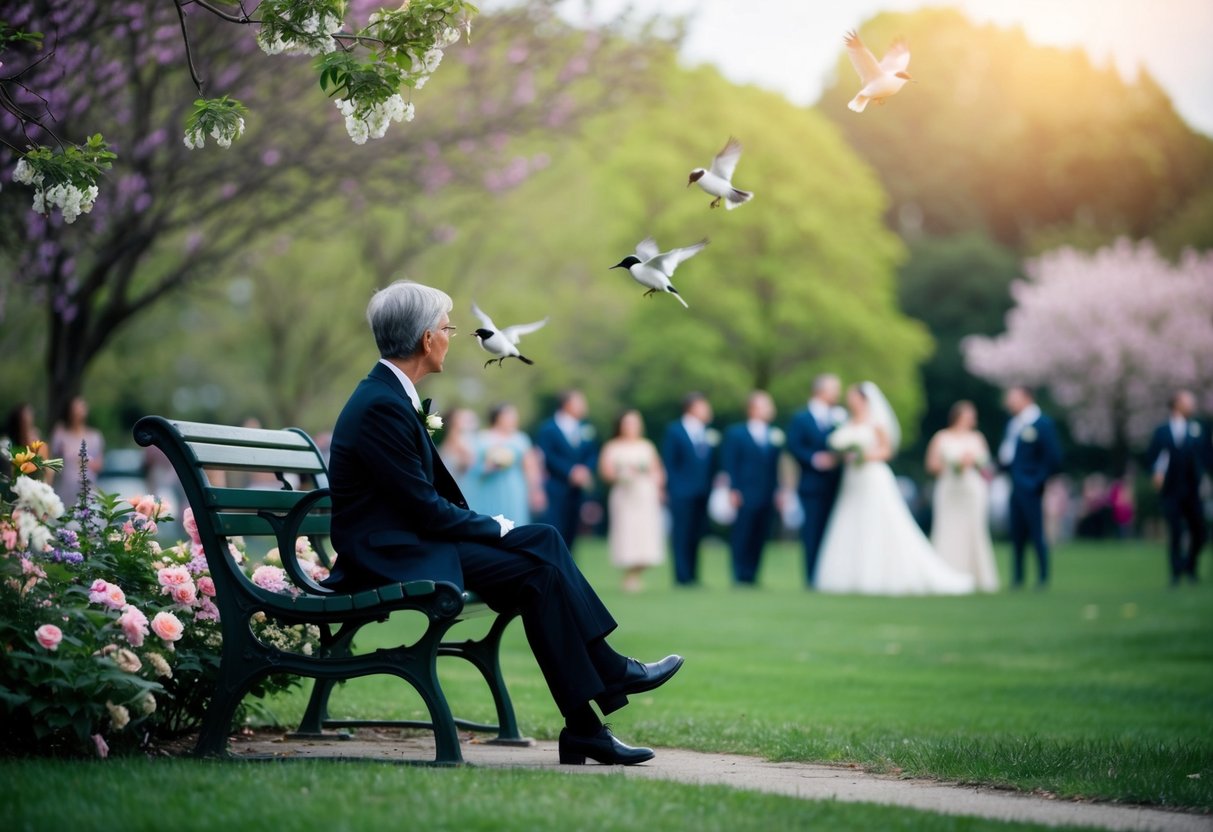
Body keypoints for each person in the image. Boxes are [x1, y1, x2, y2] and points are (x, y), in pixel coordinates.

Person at [322, 280, 683, 766]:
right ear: (427, 340)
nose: (451, 336)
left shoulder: (387, 394)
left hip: (409, 539)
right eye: (447, 328)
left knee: (545, 541)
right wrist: (494, 527)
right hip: (391, 552)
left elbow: (420, 503)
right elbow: (423, 508)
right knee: (538, 572)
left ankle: (602, 695)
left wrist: (494, 526)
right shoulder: (381, 404)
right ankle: (594, 710)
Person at [814, 383, 975, 595]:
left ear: (863, 399)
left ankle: (880, 573)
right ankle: (850, 574)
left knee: (879, 522)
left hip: (872, 477)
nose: (849, 400)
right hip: (852, 481)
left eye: (853, 396)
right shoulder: (846, 422)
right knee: (851, 519)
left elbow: (887, 450)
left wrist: (863, 456)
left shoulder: (876, 422)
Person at [925, 400, 999, 592]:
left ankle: (977, 575)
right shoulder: (941, 437)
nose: (971, 419)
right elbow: (931, 465)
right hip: (949, 489)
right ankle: (946, 573)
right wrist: (953, 465)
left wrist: (974, 463)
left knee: (974, 529)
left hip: (971, 490)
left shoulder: (977, 438)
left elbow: (986, 466)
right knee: (947, 528)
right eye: (967, 415)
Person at [998, 386, 1063, 588]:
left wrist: (1037, 481)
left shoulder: (1042, 424)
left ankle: (1042, 577)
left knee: (1036, 532)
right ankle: (1018, 578)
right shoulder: (1013, 424)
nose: (1009, 403)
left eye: (1013, 398)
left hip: (1031, 487)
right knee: (1017, 534)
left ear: (1027, 398)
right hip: (1014, 485)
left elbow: (1053, 457)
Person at [599, 409, 667, 592]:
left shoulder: (647, 446)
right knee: (627, 531)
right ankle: (629, 574)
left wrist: (659, 487)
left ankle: (637, 572)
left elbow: (656, 469)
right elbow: (606, 473)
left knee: (644, 532)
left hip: (645, 493)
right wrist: (622, 475)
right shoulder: (612, 447)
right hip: (624, 495)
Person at [1145, 390, 1209, 584]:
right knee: (1175, 532)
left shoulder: (1197, 429)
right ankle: (1175, 573)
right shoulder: (1162, 431)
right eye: (1188, 401)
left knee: (1199, 531)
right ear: (1176, 404)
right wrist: (1156, 473)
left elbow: (1206, 457)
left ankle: (1190, 565)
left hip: (1193, 489)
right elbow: (1154, 457)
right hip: (1171, 490)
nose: (1192, 405)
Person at [787, 374, 844, 587]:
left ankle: (831, 574)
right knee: (812, 530)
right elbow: (794, 445)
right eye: (834, 389)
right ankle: (812, 576)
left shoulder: (839, 416)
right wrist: (814, 459)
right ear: (821, 391)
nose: (837, 394)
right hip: (811, 484)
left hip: (836, 484)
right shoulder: (801, 418)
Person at [720, 391, 782, 586]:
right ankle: (740, 574)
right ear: (753, 409)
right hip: (744, 491)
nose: (771, 409)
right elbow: (730, 463)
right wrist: (733, 489)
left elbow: (776, 467)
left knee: (760, 533)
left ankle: (753, 574)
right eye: (766, 405)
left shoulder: (774, 434)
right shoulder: (736, 433)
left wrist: (778, 490)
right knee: (742, 533)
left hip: (767, 491)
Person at [661, 393, 716, 586]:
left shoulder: (706, 432)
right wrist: (672, 488)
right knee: (682, 534)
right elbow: (670, 462)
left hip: (702, 492)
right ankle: (681, 575)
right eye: (704, 406)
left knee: (696, 533)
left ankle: (693, 575)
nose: (708, 410)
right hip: (681, 492)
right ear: (692, 408)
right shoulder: (675, 430)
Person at [535, 390, 598, 552]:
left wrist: (585, 470)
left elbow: (592, 453)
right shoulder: (548, 428)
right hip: (556, 487)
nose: (584, 407)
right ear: (567, 404)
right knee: (555, 529)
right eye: (580, 402)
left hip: (576, 490)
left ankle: (568, 569)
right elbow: (547, 455)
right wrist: (570, 472)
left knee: (573, 532)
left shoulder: (585, 428)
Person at [468, 403, 545, 525]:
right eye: (509, 415)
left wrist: (536, 490)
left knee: (514, 522)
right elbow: (473, 464)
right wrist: (489, 466)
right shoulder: (482, 437)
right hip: (488, 486)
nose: (513, 419)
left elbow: (530, 467)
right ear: (498, 417)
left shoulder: (520, 438)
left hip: (513, 487)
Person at [49, 396, 105, 507]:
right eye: (74, 409)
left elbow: (99, 465)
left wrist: (87, 462)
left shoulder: (95, 436)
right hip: (65, 488)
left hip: (87, 488)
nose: (77, 413)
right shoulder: (60, 433)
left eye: (81, 408)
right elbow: (51, 461)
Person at [438, 407, 479, 500]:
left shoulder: (456, 437)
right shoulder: (456, 438)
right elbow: (470, 460)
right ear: (454, 422)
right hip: (455, 482)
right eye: (462, 418)